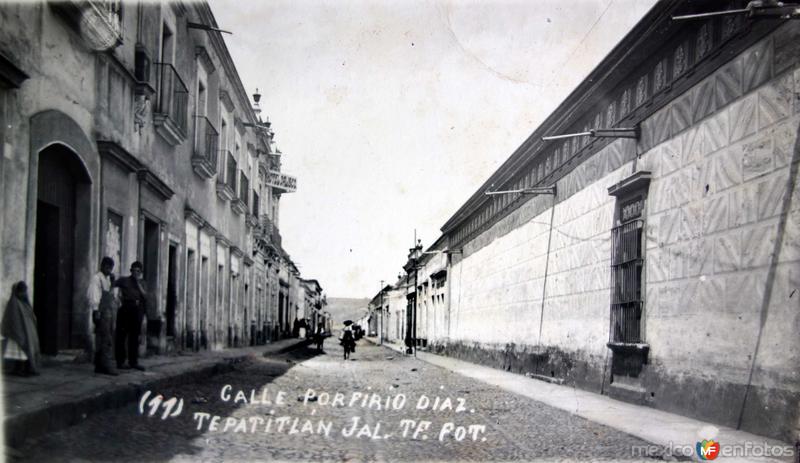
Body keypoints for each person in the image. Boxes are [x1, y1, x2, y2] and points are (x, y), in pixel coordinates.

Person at [1, 282, 41, 376]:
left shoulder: (24, 302)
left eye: (24, 291)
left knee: (24, 352)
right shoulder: (13, 304)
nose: (23, 293)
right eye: (21, 291)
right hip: (17, 335)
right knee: (19, 352)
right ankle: (19, 369)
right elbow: (13, 321)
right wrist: (19, 333)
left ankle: (23, 368)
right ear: (17, 292)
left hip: (26, 334)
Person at [87, 257, 118, 376]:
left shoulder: (107, 279)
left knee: (103, 338)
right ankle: (106, 365)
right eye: (107, 267)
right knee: (106, 339)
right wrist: (96, 311)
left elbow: (110, 295)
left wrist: (113, 283)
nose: (109, 270)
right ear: (102, 266)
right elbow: (94, 296)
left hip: (108, 312)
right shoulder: (97, 278)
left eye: (111, 268)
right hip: (101, 312)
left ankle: (99, 365)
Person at [114, 261, 147, 371]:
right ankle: (120, 361)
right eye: (134, 270)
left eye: (138, 271)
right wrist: (116, 299)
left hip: (136, 310)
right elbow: (112, 285)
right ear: (131, 270)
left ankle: (133, 362)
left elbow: (145, 295)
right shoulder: (124, 280)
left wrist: (137, 283)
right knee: (121, 336)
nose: (135, 273)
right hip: (125, 309)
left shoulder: (142, 283)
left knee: (134, 337)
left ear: (141, 272)